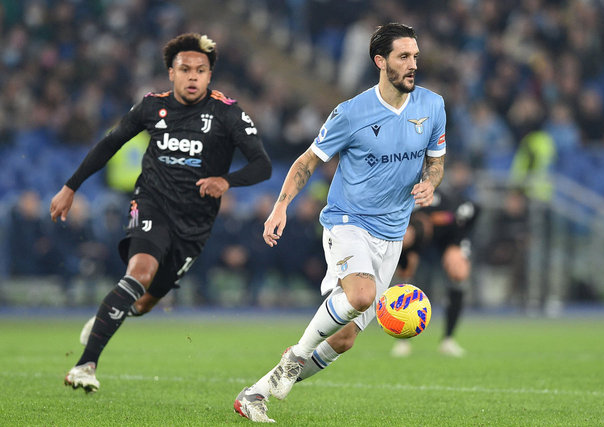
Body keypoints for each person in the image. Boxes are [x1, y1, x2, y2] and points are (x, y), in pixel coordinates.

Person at [234, 23, 446, 423]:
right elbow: (307, 161)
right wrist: (280, 207)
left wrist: (430, 184)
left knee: (345, 339)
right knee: (362, 296)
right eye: (404, 56)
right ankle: (296, 356)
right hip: (349, 222)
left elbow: (436, 161)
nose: (413, 64)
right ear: (380, 61)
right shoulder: (351, 113)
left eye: (416, 56)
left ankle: (255, 393)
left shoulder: (433, 106)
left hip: (392, 233)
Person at [50, 32, 272, 393]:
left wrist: (226, 181)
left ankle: (107, 316)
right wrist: (70, 187)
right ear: (171, 73)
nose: (192, 76)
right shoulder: (152, 107)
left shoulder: (228, 113)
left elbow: (262, 165)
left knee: (145, 302)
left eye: (200, 70)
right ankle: (85, 365)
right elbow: (110, 143)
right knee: (139, 272)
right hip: (152, 203)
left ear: (209, 75)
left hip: (195, 222)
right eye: (185, 69)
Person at [391, 160, 480, 358]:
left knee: (459, 272)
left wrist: (456, 246)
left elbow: (474, 210)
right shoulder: (406, 212)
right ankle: (402, 339)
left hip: (448, 239)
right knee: (404, 278)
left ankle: (448, 339)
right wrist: (406, 256)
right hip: (415, 242)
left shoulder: (445, 204)